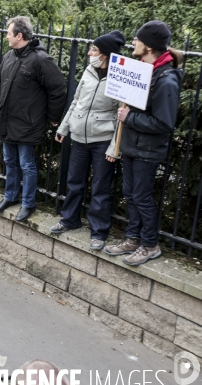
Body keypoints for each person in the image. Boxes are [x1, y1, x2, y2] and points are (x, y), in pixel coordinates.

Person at [104, 21, 182, 266]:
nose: (133, 43)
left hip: (147, 149)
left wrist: (131, 118)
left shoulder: (166, 80)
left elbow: (165, 123)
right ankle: (133, 237)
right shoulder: (145, 71)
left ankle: (149, 244)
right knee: (131, 194)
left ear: (148, 46)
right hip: (132, 144)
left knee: (142, 196)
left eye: (137, 39)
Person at [50, 31, 126, 251]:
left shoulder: (119, 77)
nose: (89, 53)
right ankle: (69, 219)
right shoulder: (89, 71)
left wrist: (114, 147)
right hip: (80, 136)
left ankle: (99, 231)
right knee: (74, 181)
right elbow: (76, 102)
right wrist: (65, 127)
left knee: (101, 186)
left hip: (103, 138)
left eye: (94, 50)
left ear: (105, 55)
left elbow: (122, 114)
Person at [0, 16, 67, 222]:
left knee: (27, 165)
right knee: (9, 161)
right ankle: (10, 197)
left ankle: (28, 203)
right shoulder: (9, 56)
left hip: (28, 124)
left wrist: (52, 117)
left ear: (19, 35)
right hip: (6, 121)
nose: (6, 36)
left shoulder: (41, 59)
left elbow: (58, 89)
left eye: (9, 33)